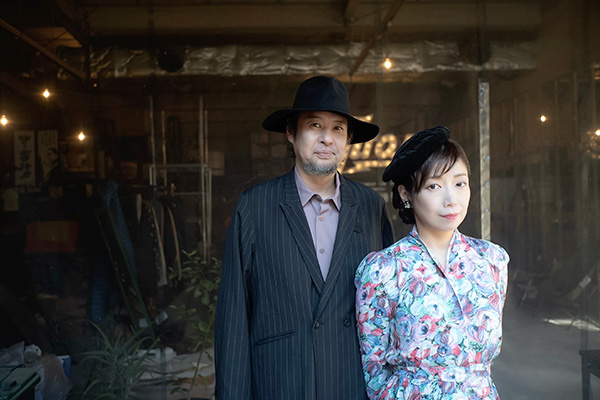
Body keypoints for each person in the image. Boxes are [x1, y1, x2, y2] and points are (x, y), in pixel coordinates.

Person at [215, 75, 394, 400]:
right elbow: (233, 318)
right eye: (314, 125)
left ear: (348, 139)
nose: (327, 138)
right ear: (291, 132)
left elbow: (388, 310)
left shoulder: (371, 206)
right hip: (280, 383)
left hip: (352, 384)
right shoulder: (255, 206)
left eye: (337, 128)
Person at [355, 126, 509, 399]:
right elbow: (374, 374)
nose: (451, 200)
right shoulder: (383, 270)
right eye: (434, 186)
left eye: (460, 183)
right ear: (406, 194)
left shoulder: (492, 260)